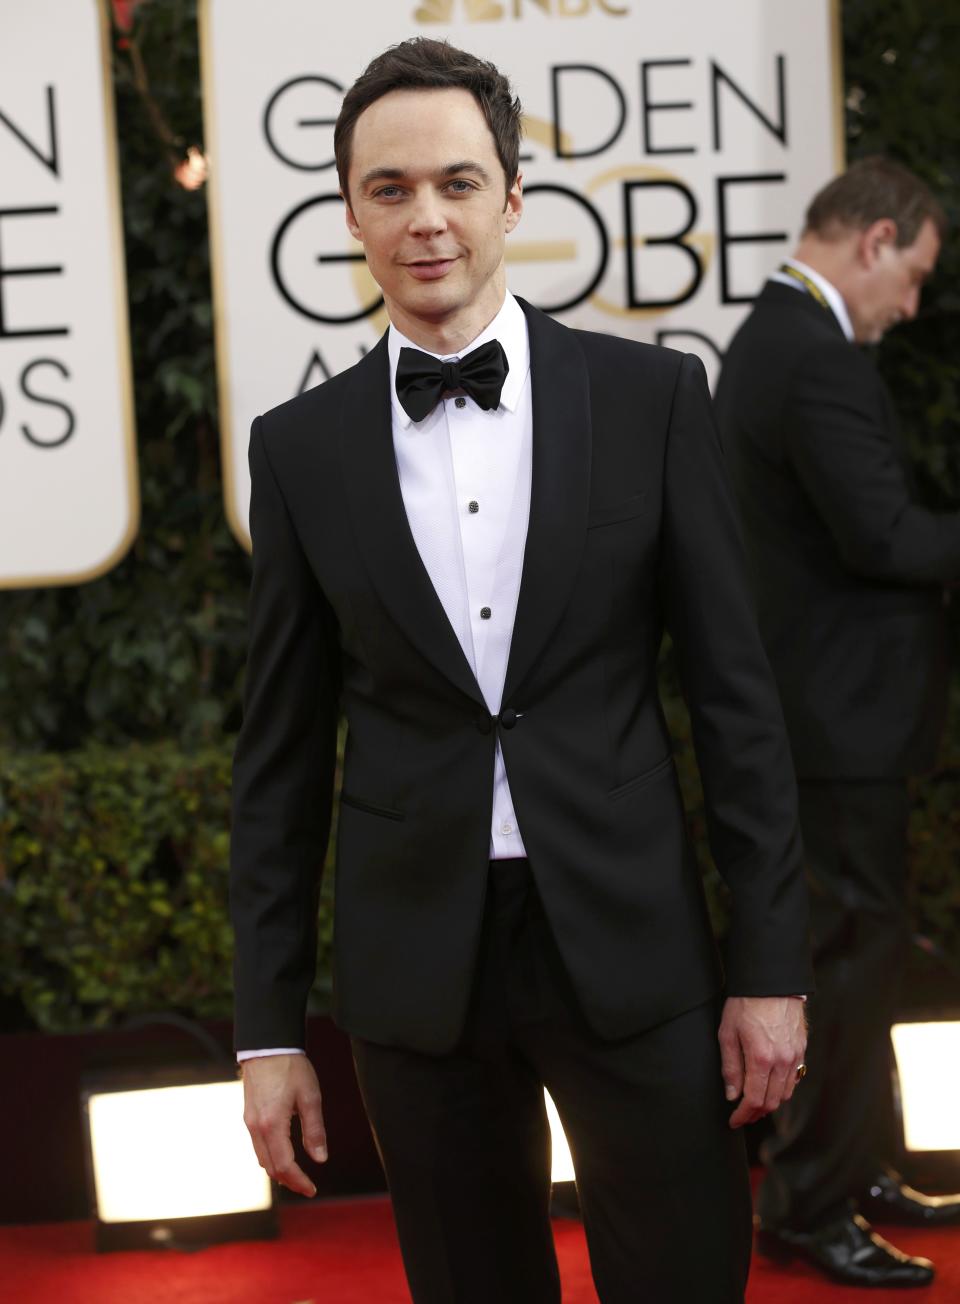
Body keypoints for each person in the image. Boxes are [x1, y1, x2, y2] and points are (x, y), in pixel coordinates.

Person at [230, 38, 812, 1304]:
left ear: (512, 199)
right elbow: (277, 757)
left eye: (456, 181)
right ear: (349, 214)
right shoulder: (300, 450)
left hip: (633, 940)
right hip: (415, 965)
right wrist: (269, 1029)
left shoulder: (651, 397)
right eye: (389, 190)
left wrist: (770, 965)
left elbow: (736, 703)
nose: (425, 217)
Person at [715, 156, 960, 1290]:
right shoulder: (808, 356)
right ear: (873, 239)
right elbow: (881, 537)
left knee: (858, 956)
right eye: (910, 275)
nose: (910, 306)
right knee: (847, 961)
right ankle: (811, 1202)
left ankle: (850, 1167)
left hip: (830, 717)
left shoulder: (781, 342)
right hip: (835, 722)